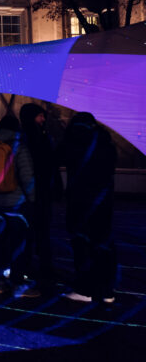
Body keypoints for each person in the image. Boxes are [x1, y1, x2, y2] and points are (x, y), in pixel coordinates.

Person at [62, 112, 117, 303]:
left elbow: (60, 157)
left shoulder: (74, 143)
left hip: (81, 203)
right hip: (103, 202)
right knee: (104, 245)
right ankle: (107, 291)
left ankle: (85, 290)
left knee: (82, 244)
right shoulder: (107, 145)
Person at [0, 115, 39, 297]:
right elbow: (27, 177)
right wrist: (32, 200)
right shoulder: (19, 148)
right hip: (16, 204)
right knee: (18, 244)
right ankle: (17, 284)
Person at [20, 103, 61, 288]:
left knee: (29, 230)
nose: (43, 119)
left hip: (30, 192)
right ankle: (42, 265)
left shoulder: (24, 137)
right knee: (40, 229)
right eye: (40, 116)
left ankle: (28, 265)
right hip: (38, 191)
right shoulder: (37, 137)